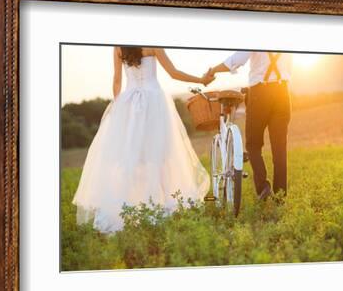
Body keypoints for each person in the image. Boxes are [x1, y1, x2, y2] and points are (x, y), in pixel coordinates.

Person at [72, 46, 215, 233]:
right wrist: (201, 80)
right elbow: (173, 73)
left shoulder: (118, 47)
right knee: (160, 156)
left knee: (131, 157)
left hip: (130, 103)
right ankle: (161, 203)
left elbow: (117, 80)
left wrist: (118, 108)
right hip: (155, 102)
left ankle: (131, 205)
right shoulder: (153, 45)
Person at [206, 51, 292, 200]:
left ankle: (263, 187)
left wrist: (212, 70)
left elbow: (235, 60)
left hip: (260, 93)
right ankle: (280, 196)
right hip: (283, 93)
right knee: (280, 148)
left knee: (253, 144)